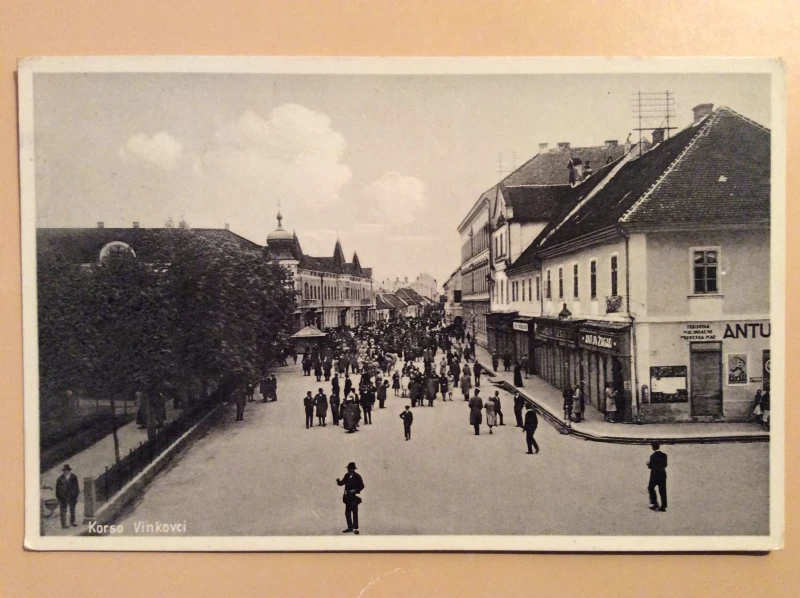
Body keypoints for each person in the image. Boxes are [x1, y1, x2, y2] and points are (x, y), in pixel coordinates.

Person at [336, 462, 364, 534]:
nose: (349, 470)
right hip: (348, 497)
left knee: (354, 512)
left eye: (350, 468)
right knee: (347, 512)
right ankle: (350, 527)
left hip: (354, 497)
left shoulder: (357, 476)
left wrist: (355, 490)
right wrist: (338, 481)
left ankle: (355, 528)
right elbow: (342, 483)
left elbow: (362, 486)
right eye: (348, 468)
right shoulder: (347, 475)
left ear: (353, 469)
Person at [55, 464, 80, 528]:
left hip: (72, 496)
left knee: (72, 510)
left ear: (69, 471)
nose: (66, 472)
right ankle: (64, 524)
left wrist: (75, 495)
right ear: (63, 471)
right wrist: (59, 497)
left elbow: (76, 487)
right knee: (63, 511)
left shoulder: (74, 477)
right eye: (64, 470)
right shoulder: (60, 479)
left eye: (67, 470)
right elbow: (57, 489)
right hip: (63, 497)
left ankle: (72, 522)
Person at [647, 442, 668, 512]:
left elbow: (651, 466)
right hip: (662, 475)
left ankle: (654, 503)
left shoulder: (652, 456)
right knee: (663, 491)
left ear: (653, 447)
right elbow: (665, 465)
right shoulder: (664, 455)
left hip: (654, 475)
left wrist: (648, 464)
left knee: (650, 488)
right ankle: (663, 506)